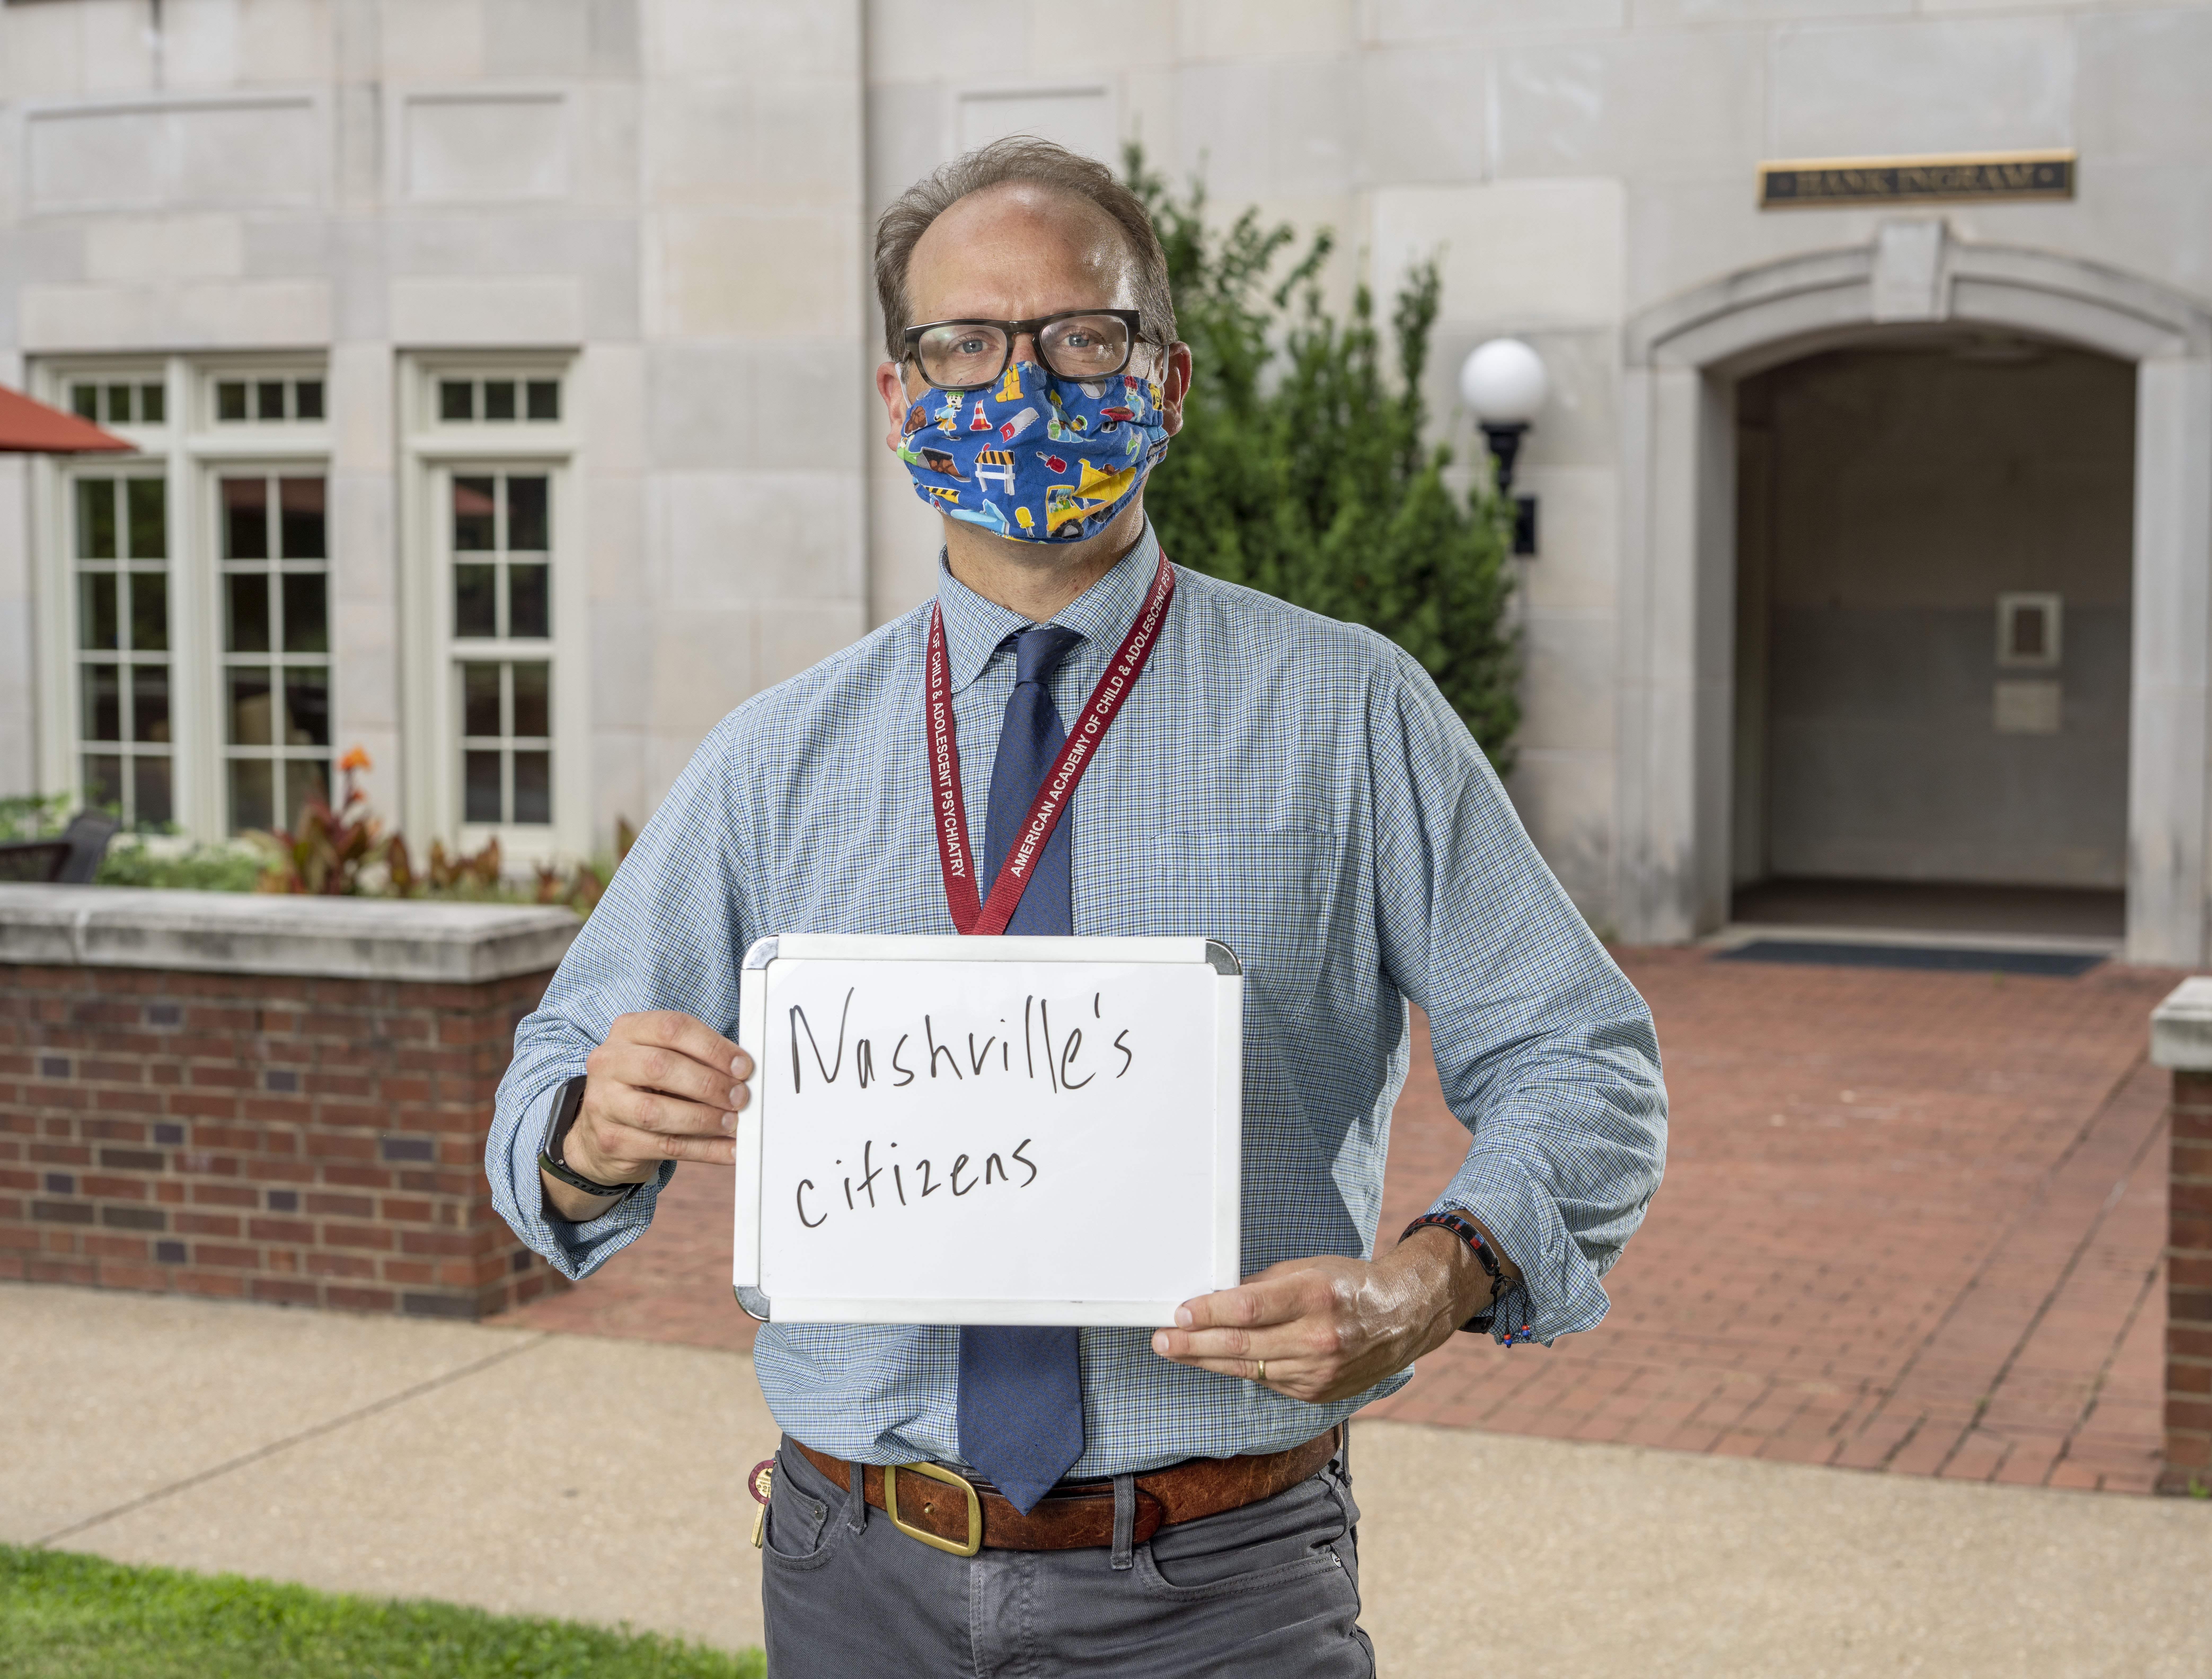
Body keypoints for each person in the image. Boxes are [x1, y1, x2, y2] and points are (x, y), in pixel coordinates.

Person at [487, 136, 1666, 1677]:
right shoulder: (777, 756)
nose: (1023, 387)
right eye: (964, 343)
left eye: (1080, 339)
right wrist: (590, 1126)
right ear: (900, 395)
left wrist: (1429, 1280)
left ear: (1164, 383)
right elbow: (540, 1118)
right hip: (856, 1571)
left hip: (1222, 1581)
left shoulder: (1350, 714)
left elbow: (1585, 1063)